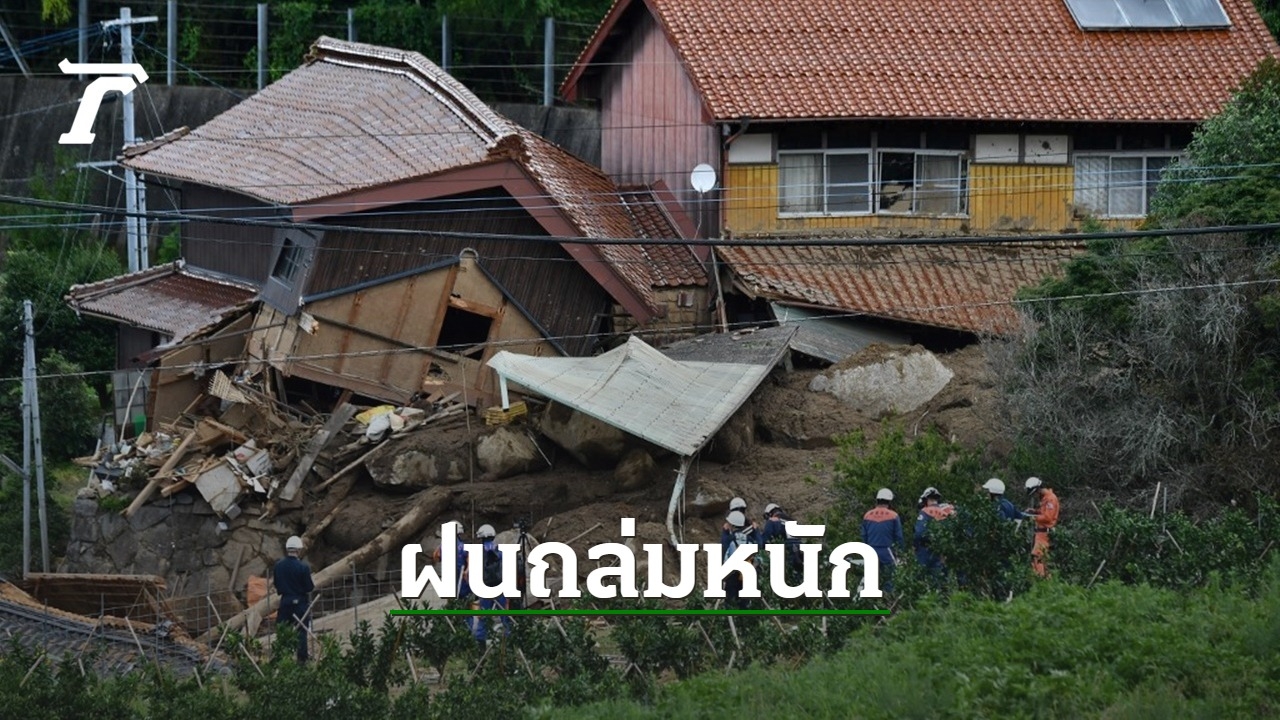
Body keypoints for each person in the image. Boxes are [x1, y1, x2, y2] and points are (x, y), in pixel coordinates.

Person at [273, 535, 315, 663]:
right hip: (300, 602)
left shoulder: (278, 566)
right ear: (298, 550)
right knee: (301, 631)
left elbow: (277, 584)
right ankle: (302, 660)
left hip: (285, 601)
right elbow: (309, 587)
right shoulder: (303, 567)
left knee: (282, 630)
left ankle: (281, 658)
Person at [471, 524, 513, 643]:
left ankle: (481, 649)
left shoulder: (478, 553)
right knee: (505, 618)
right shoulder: (501, 552)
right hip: (501, 589)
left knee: (483, 618)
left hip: (484, 590)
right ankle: (508, 645)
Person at [861, 488, 904, 592]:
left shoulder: (867, 515)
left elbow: (863, 535)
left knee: (871, 581)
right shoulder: (893, 516)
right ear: (889, 501)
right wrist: (901, 552)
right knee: (890, 579)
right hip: (887, 551)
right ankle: (888, 602)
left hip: (871, 550)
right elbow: (898, 536)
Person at [721, 509, 761, 609]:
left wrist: (724, 533)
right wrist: (756, 531)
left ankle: (730, 622)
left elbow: (723, 553)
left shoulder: (729, 539)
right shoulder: (749, 540)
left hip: (732, 576)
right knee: (744, 604)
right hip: (747, 575)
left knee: (730, 603)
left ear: (732, 525)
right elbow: (759, 547)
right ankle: (744, 622)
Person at [1023, 477, 1060, 577]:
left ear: (1038, 490)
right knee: (1040, 559)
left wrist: (1034, 518)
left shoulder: (1050, 499)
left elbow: (1048, 517)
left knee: (1038, 557)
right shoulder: (1044, 499)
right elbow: (1044, 513)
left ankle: (1040, 579)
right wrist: (1035, 512)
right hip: (1040, 533)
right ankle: (1044, 579)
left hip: (1045, 533)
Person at [913, 486, 955, 574]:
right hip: (945, 552)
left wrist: (916, 547)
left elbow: (919, 534)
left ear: (926, 500)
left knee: (922, 578)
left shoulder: (925, 511)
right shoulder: (948, 510)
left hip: (926, 551)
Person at [760, 503, 801, 575]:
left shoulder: (773, 521)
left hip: (785, 555)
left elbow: (765, 540)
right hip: (799, 554)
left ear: (769, 514)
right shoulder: (793, 522)